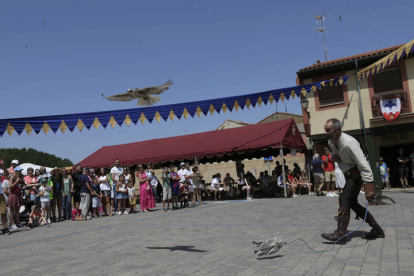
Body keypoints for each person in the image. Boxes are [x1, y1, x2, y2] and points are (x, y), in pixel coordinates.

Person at [321, 118, 385, 243]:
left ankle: (340, 233)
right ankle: (377, 230)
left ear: (338, 130)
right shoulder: (331, 142)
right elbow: (336, 154)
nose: (325, 132)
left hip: (357, 174)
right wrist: (335, 157)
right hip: (349, 174)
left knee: (344, 199)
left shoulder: (349, 142)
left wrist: (369, 186)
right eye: (325, 130)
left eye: (328, 130)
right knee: (352, 203)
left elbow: (363, 163)